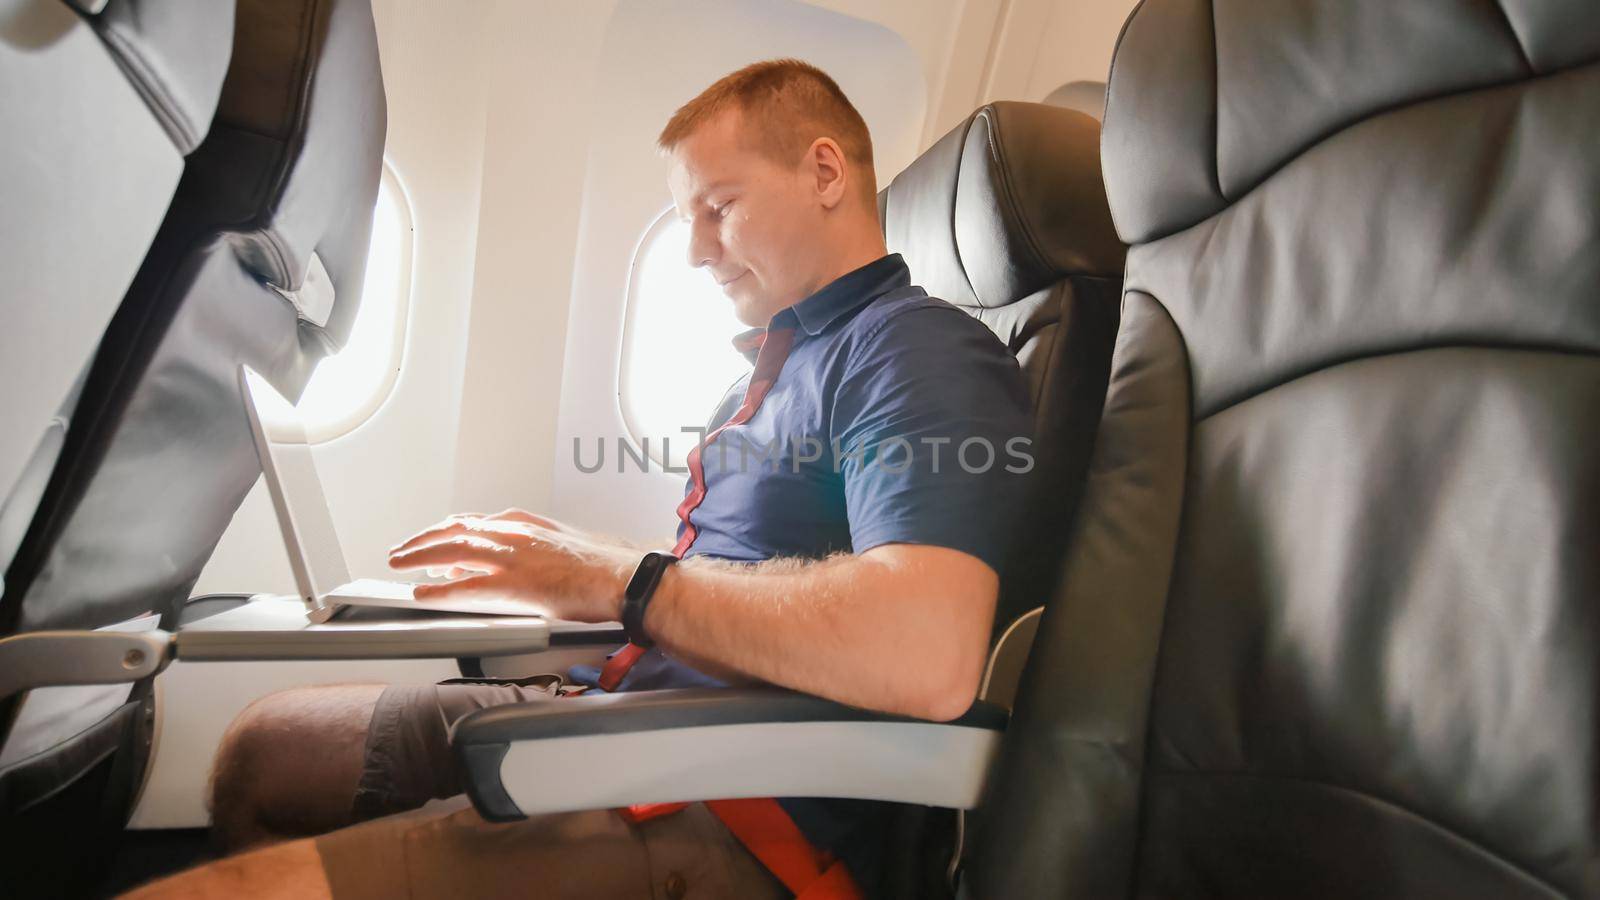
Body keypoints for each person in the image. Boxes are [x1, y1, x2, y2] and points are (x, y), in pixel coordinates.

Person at [126, 59, 1032, 899]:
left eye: (720, 206)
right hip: (629, 708)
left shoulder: (913, 350)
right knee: (264, 753)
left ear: (826, 173)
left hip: (742, 804)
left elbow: (926, 653)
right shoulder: (776, 365)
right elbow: (749, 569)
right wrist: (573, 561)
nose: (695, 251)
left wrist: (618, 582)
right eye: (687, 220)